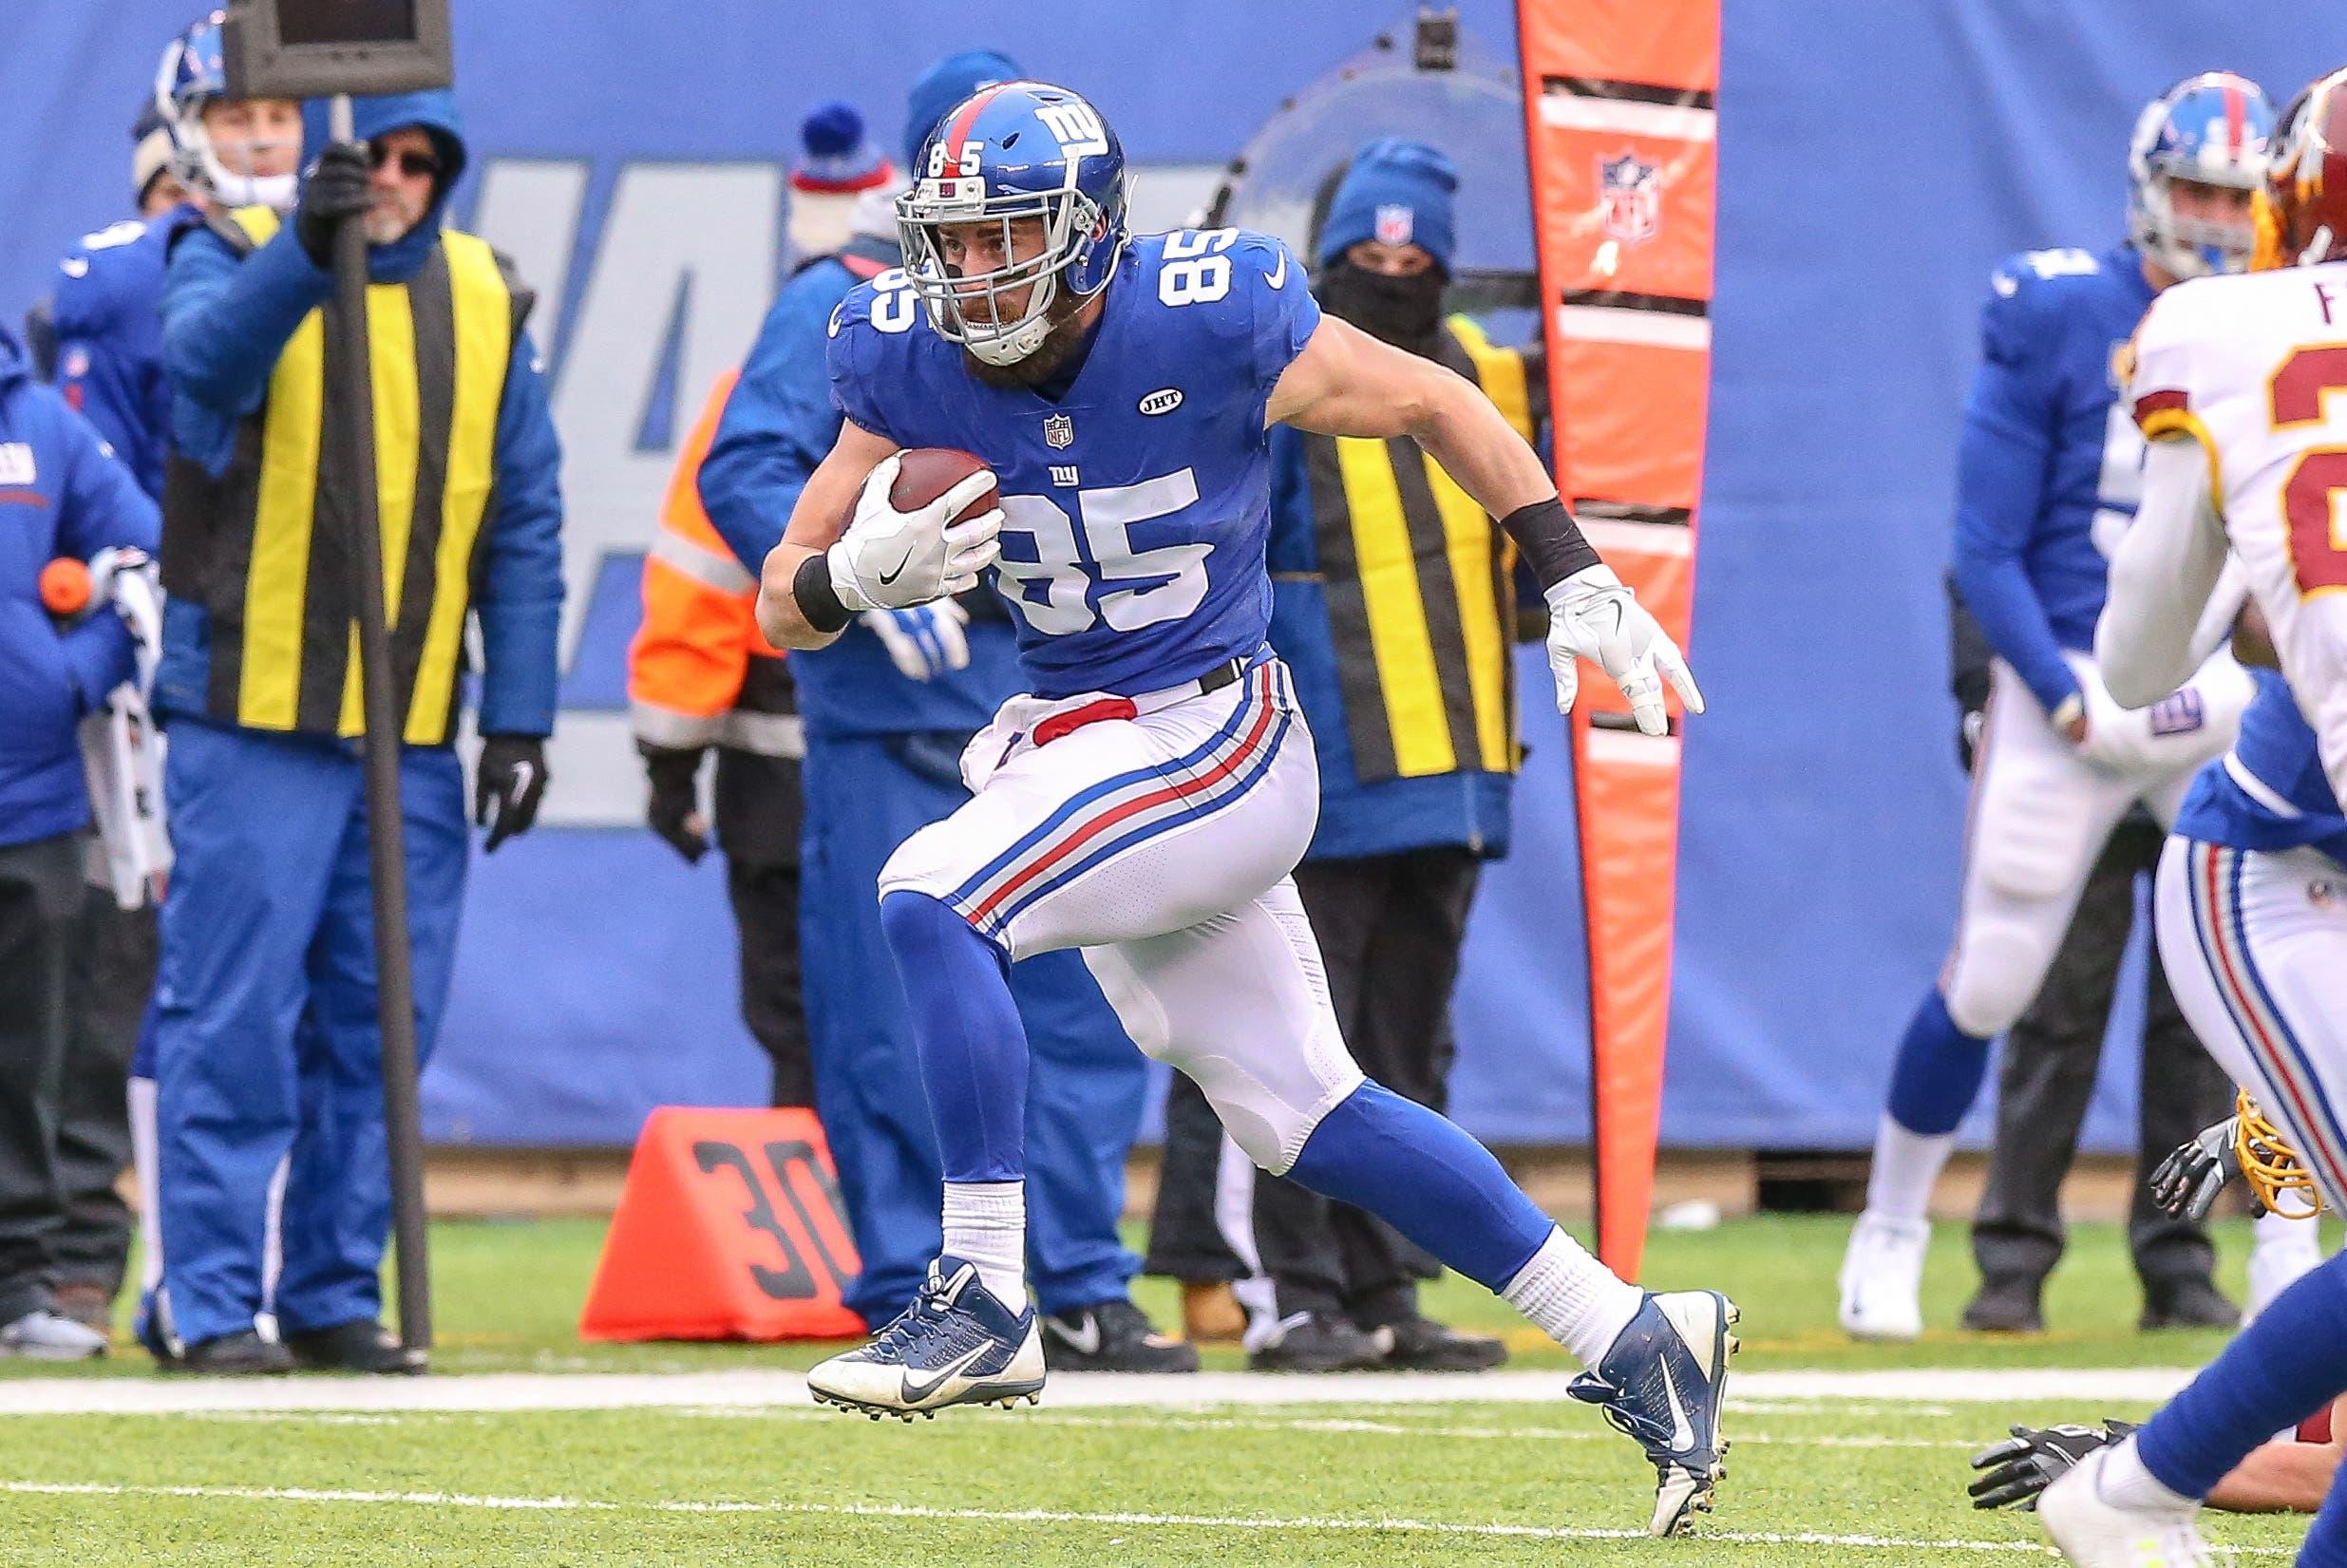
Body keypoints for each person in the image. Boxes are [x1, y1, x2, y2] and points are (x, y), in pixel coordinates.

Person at [763, 81, 1732, 1539]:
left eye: (1006, 238)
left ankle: (978, 1287)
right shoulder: (897, 354)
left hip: (1211, 730)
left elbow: (1434, 398)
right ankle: (1634, 1330)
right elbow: (786, 593)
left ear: (1088, 236)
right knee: (1300, 1108)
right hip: (1088, 746)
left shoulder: (1207, 314)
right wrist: (851, 578)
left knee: (932, 889)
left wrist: (1573, 573)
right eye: (951, 243)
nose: (973, 274)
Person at [698, 53, 1190, 1374]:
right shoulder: (847, 305)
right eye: (975, 213)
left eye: (1019, 215)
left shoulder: (1115, 317)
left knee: (1082, 1007)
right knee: (885, 1013)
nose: (997, 245)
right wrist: (855, 577)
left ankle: (1079, 1275)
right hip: (885, 715)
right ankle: (916, 1281)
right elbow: (744, 467)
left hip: (1048, 706)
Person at [1839, 72, 2272, 1342]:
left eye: (2235, 197)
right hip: (2064, 687)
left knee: (2255, 989)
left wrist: (2232, 680)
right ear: (2146, 185)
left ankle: (2273, 1259)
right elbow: (1981, 543)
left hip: (2208, 693)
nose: (2211, 215)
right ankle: (1892, 1224)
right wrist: (2060, 689)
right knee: (1996, 980)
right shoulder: (2059, 309)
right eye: (2195, 187)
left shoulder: (2272, 324)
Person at [150, 85, 563, 1374]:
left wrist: (522, 715)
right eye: (371, 157)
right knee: (232, 1022)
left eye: (415, 159)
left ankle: (332, 1289)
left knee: (386, 1026)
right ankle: (209, 1300)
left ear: (442, 169)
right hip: (252, 716)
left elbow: (528, 521)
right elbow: (199, 379)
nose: (391, 178)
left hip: (412, 738)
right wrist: (296, 245)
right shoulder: (220, 250)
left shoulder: (487, 291)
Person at [1145, 139, 1537, 1373]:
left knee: (1408, 1042)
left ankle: (1386, 1284)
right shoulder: (1284, 361)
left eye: (1413, 256)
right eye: (1365, 253)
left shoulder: (1488, 369)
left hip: (1459, 754)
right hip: (1315, 750)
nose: (1390, 271)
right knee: (1286, 1033)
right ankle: (1284, 1286)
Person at [2032, 67, 2347, 1565]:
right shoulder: (2221, 330)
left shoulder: (2225, 331)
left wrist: (2262, 579)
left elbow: (2144, 652)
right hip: (2272, 869)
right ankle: (2136, 1485)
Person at [31, 19, 299, 1343]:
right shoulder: (128, 273)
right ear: (184, 129)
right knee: (153, 954)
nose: (261, 138)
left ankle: (262, 1260)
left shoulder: (364, 253)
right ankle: (147, 1260)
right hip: (174, 653)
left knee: (283, 969)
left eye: (280, 117)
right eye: (238, 116)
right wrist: (143, 604)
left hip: (314, 654)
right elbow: (94, 480)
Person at [1943, 578, 2260, 1334]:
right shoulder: (2061, 458)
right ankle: (2013, 1261)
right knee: (2055, 1009)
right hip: (2078, 752)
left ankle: (2178, 1260)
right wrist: (1976, 695)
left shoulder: (2209, 465)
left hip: (2202, 746)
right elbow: (1988, 561)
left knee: (2197, 1021)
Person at [0, 319, 161, 1360]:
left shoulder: (44, 428)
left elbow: (141, 557)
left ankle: (16, 1284)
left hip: (30, 798)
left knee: (25, 1053)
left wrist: (78, 674)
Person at [629, 371, 812, 1107]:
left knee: (799, 1021)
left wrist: (670, 772)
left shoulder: (764, 394)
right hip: (962, 774)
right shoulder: (1006, 367)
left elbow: (698, 590)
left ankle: (820, 1217)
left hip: (780, 786)